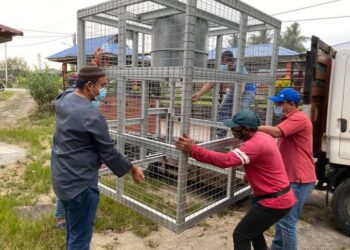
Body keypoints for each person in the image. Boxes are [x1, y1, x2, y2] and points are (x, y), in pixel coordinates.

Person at [51, 64, 145, 250]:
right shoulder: (93, 116)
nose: (104, 90)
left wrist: (95, 62)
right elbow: (109, 152)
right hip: (80, 185)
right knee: (80, 240)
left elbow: (71, 89)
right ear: (89, 86)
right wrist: (132, 168)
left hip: (62, 177)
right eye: (102, 85)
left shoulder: (64, 100)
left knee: (73, 229)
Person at [175, 111, 296, 250]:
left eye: (236, 128)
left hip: (274, 201)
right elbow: (264, 161)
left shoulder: (255, 144)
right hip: (279, 196)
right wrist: (251, 175)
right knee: (255, 232)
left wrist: (193, 149)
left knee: (241, 235)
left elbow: (225, 160)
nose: (233, 131)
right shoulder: (263, 136)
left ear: (247, 129)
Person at [258, 87, 317, 250]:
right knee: (282, 217)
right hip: (291, 178)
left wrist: (254, 126)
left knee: (287, 222)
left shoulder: (298, 118)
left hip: (299, 179)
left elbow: (276, 132)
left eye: (279, 103)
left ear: (291, 104)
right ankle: (277, 247)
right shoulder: (290, 119)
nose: (277, 106)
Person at [192, 50, 256, 138]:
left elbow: (242, 86)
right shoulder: (222, 68)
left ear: (231, 60)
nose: (224, 63)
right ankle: (220, 134)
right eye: (222, 61)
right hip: (234, 90)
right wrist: (199, 94)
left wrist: (237, 101)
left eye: (225, 61)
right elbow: (211, 83)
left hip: (248, 91)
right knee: (223, 109)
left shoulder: (239, 67)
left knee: (243, 110)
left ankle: (248, 135)